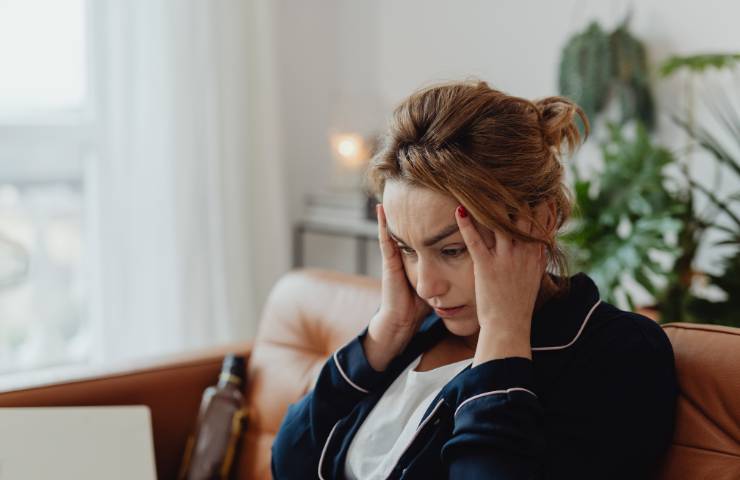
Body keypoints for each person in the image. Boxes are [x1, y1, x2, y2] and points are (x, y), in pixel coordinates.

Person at [271, 80, 677, 479]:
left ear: (542, 220)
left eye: (452, 250)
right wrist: (383, 335)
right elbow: (288, 463)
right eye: (407, 249)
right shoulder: (415, 331)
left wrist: (504, 336)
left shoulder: (619, 354)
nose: (427, 286)